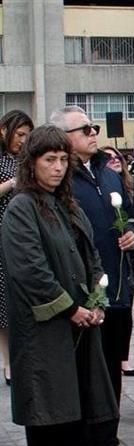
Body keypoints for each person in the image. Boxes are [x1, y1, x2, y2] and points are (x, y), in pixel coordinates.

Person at [1, 125, 116, 446]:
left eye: (63, 160)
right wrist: (70, 308)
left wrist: (96, 303)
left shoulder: (65, 203)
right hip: (42, 324)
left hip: (78, 319)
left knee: (71, 396)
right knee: (46, 399)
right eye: (49, 159)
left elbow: (91, 255)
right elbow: (30, 270)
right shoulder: (22, 206)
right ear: (30, 163)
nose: (58, 167)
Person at [51, 106, 134, 446]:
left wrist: (132, 231)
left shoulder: (107, 172)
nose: (93, 132)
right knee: (84, 371)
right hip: (82, 292)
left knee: (111, 371)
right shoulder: (61, 179)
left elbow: (129, 211)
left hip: (116, 286)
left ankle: (107, 441)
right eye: (84, 128)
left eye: (94, 126)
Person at [0, 110, 34, 386]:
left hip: (23, 234)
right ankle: (7, 362)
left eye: (27, 136)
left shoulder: (26, 160)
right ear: (4, 130)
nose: (23, 140)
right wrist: (11, 184)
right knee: (3, 302)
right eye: (19, 134)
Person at [101, 144, 134, 378]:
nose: (114, 160)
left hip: (126, 262)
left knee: (126, 311)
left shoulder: (125, 185)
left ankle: (123, 357)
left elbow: (133, 216)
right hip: (107, 262)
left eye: (117, 157)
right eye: (108, 158)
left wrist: (132, 231)